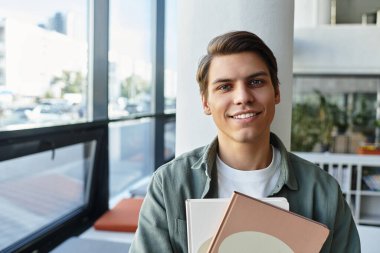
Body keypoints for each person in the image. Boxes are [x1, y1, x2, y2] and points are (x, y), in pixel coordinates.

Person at [129, 31, 360, 253]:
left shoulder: (323, 192)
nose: (242, 98)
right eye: (225, 87)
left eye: (256, 82)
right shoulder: (169, 184)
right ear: (206, 103)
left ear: (277, 92)